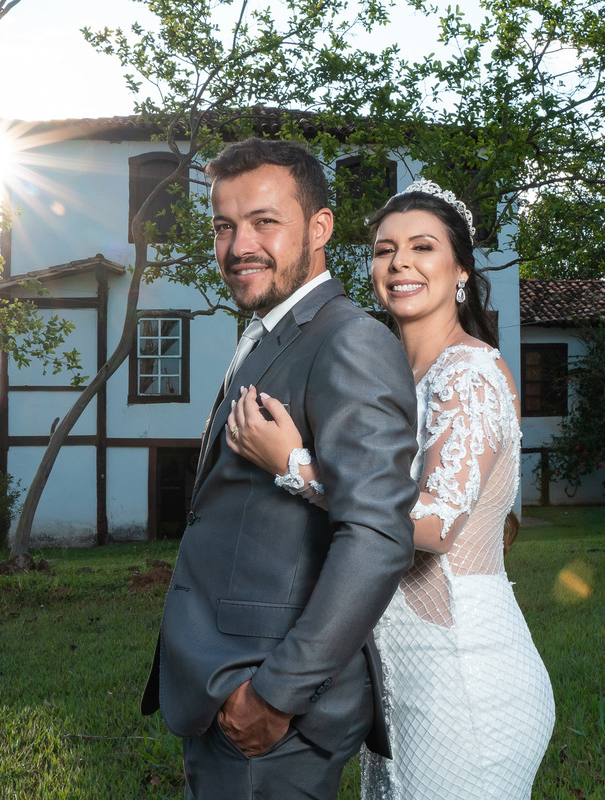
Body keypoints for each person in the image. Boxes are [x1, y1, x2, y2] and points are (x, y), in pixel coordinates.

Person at [226, 181, 556, 799]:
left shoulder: (471, 372)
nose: (400, 262)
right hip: (398, 688)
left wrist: (295, 465)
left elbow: (433, 526)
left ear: (460, 268)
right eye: (384, 250)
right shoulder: (387, 380)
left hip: (464, 675)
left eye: (423, 247)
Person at [140, 138, 420, 800]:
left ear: (319, 228)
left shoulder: (350, 341)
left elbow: (378, 537)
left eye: (265, 221)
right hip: (222, 684)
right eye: (224, 226)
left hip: (272, 716)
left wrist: (274, 695)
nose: (241, 244)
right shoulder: (267, 331)